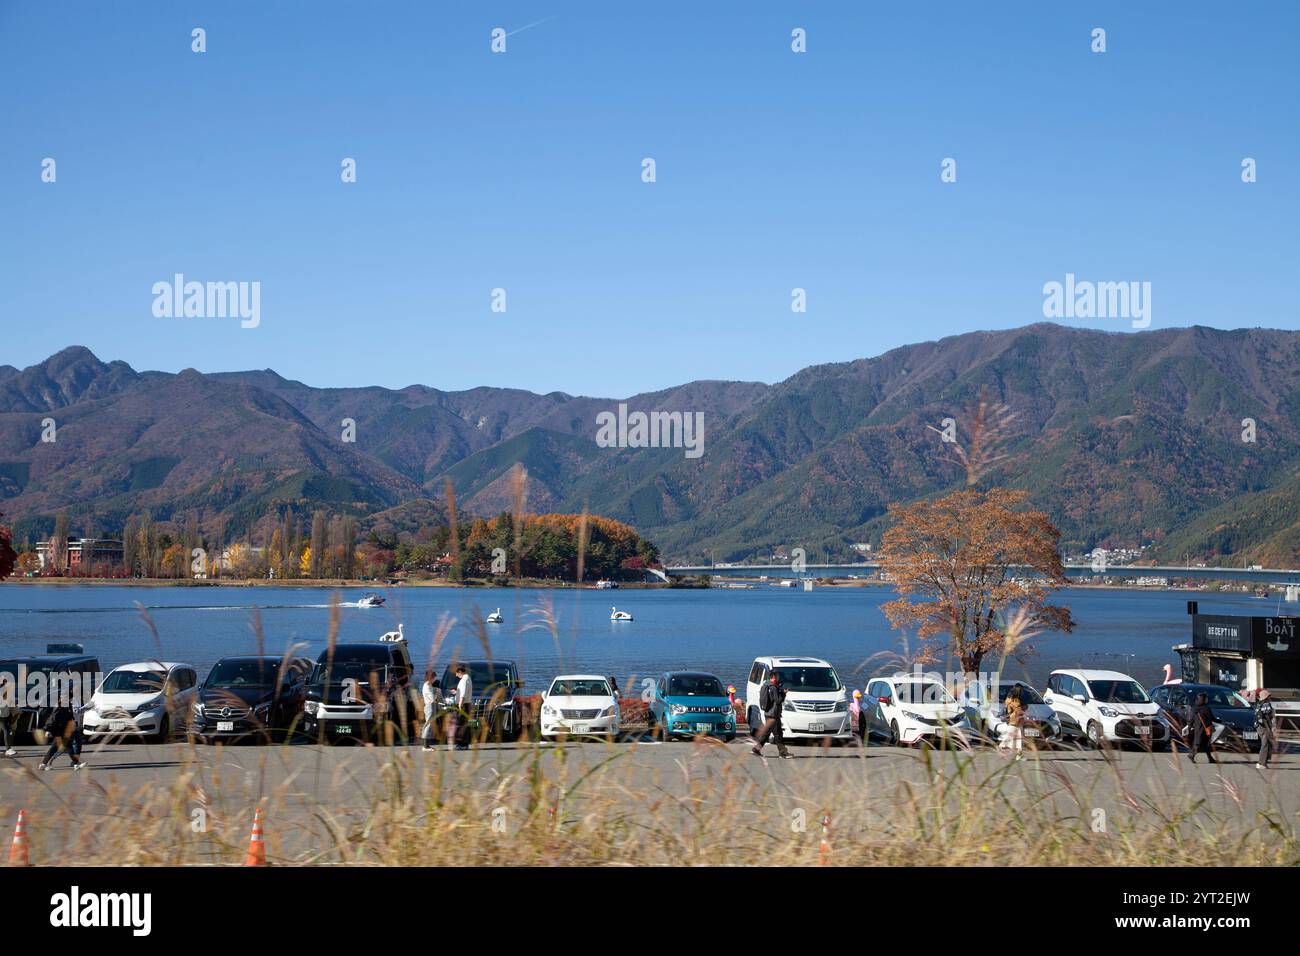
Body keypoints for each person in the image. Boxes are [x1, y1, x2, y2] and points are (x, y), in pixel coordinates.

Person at [751, 672, 791, 758]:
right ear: (774, 677)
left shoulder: (766, 685)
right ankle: (783, 753)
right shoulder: (773, 687)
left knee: (766, 733)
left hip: (768, 713)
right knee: (778, 734)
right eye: (777, 676)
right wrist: (784, 693)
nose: (778, 678)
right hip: (773, 714)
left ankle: (756, 749)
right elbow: (778, 701)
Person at [38, 704, 83, 770]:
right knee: (64, 747)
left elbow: (70, 717)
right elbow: (52, 719)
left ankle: (43, 764)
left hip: (65, 729)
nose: (70, 700)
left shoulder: (68, 706)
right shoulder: (58, 707)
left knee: (65, 747)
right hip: (59, 730)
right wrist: (48, 730)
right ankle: (76, 764)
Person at [1187, 691, 1218, 765]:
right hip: (1206, 729)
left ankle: (1210, 758)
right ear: (1203, 699)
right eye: (1206, 698)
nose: (1207, 699)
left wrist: (1189, 728)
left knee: (1201, 743)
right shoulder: (1206, 708)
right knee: (1202, 743)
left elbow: (1190, 719)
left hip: (1198, 729)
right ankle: (1192, 755)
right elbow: (1211, 718)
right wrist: (1219, 720)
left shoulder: (1194, 708)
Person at [448, 664, 472, 752]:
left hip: (463, 704)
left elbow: (463, 694)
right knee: (465, 725)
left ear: (460, 672)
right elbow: (463, 691)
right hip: (468, 704)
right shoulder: (468, 678)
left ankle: (461, 744)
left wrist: (460, 704)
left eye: (456, 673)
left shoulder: (463, 680)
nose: (456, 675)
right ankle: (465, 744)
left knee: (460, 725)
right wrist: (456, 692)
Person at [1254, 688, 1277, 770]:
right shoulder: (1265, 704)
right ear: (1266, 697)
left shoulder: (1259, 704)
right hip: (1264, 726)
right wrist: (1269, 726)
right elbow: (1266, 717)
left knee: (1266, 744)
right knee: (1265, 744)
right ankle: (1261, 763)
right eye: (1268, 696)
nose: (1270, 697)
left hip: (1259, 726)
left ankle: (1263, 762)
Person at [1003, 685, 1026, 761]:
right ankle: (1018, 755)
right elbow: (1023, 708)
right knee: (1017, 739)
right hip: (1018, 721)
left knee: (1010, 738)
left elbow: (1009, 711)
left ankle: (1018, 755)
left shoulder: (1009, 700)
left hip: (1013, 721)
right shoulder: (1018, 700)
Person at [420, 669, 441, 751]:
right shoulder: (427, 685)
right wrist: (437, 692)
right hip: (430, 706)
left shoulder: (428, 685)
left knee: (429, 725)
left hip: (430, 706)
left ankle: (427, 745)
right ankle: (425, 746)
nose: (435, 679)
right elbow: (432, 699)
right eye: (434, 677)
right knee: (428, 725)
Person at [0, 674, 17, 757]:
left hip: (4, 713)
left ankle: (8, 749)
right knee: (6, 730)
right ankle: (8, 749)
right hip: (1, 714)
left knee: (3, 730)